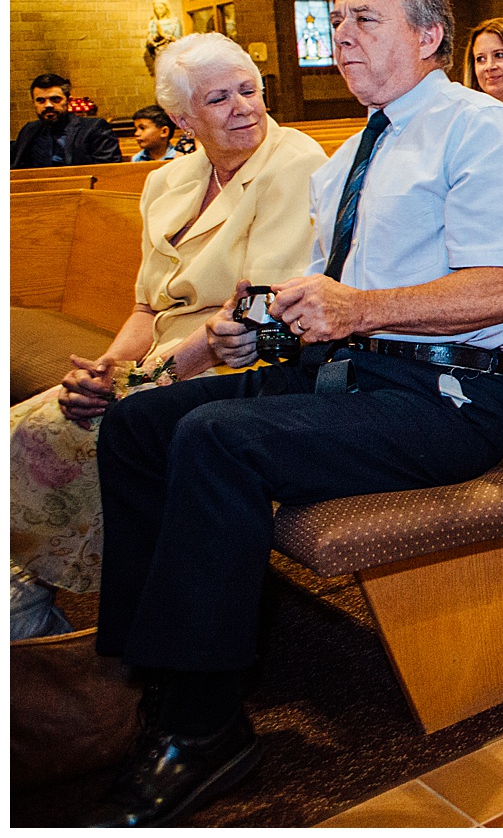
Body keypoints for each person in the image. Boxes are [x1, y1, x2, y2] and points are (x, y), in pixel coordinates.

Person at [87, 0, 503, 826]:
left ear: (429, 35)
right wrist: (255, 329)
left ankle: (206, 724)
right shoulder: (354, 150)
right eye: (334, 23)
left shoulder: (478, 131)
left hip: (443, 396)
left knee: (218, 438)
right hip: (349, 373)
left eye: (364, 21)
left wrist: (357, 310)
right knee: (141, 423)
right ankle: (146, 672)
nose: (341, 39)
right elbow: (321, 296)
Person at [11, 35, 325, 639]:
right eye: (219, 98)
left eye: (249, 89)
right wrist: (103, 369)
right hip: (164, 354)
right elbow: (143, 307)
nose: (244, 107)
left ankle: (32, 616)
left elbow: (256, 316)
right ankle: (32, 603)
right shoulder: (169, 181)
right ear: (183, 119)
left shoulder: (296, 163)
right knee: (34, 421)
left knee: (49, 432)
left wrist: (139, 381)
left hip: (237, 362)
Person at [12, 73, 122, 167]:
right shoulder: (30, 130)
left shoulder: (93, 128)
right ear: (34, 103)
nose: (48, 105)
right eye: (40, 100)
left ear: (68, 100)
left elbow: (109, 172)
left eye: (55, 99)